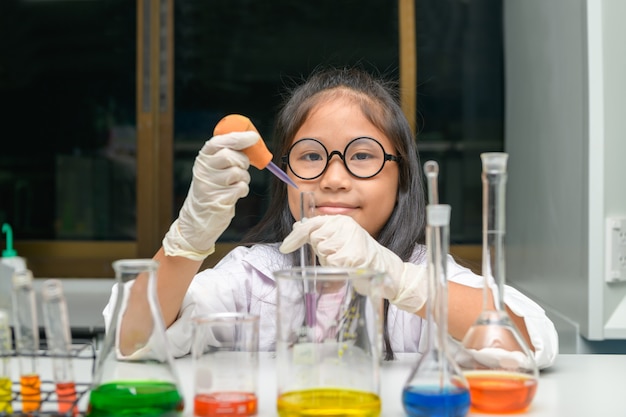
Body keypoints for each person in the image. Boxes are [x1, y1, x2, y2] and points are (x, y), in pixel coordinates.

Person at [104, 67, 558, 368]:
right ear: (281, 173)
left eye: (362, 155)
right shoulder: (252, 276)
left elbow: (528, 341)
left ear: (401, 178)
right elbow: (130, 338)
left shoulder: (422, 272)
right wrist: (189, 235)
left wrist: (399, 280)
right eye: (310, 156)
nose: (335, 178)